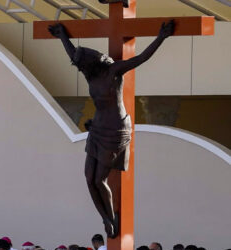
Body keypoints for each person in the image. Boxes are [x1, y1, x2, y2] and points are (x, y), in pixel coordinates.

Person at [48, 20, 175, 238]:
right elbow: (73, 56)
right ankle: (106, 218)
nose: (80, 68)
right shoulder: (91, 74)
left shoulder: (113, 71)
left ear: (92, 62)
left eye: (82, 65)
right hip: (97, 128)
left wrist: (161, 37)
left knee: (99, 179)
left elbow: (140, 59)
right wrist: (62, 36)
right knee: (88, 177)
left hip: (115, 130)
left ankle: (111, 218)